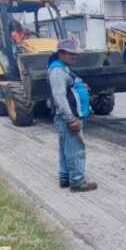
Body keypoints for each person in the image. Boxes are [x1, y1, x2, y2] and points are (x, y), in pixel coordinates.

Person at [47, 39, 97, 192]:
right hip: (69, 117)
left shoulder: (63, 68)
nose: (74, 56)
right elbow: (59, 96)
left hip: (68, 117)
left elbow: (68, 87)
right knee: (76, 149)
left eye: (75, 53)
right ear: (61, 53)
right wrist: (71, 119)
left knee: (66, 148)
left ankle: (65, 178)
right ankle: (77, 182)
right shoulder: (57, 71)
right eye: (70, 53)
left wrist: (80, 86)